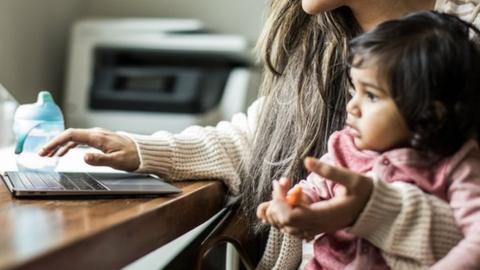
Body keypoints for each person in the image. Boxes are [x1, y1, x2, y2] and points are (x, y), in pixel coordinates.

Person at [39, 0, 480, 269]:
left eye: (372, 95)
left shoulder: (462, 59)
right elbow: (255, 139)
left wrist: (369, 210)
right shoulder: (322, 46)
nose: (353, 106)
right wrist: (137, 148)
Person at [258, 11, 480, 269]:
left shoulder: (457, 165)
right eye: (356, 90)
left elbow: (475, 241)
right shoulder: (344, 147)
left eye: (371, 96)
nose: (352, 107)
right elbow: (313, 189)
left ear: (430, 112)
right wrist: (295, 204)